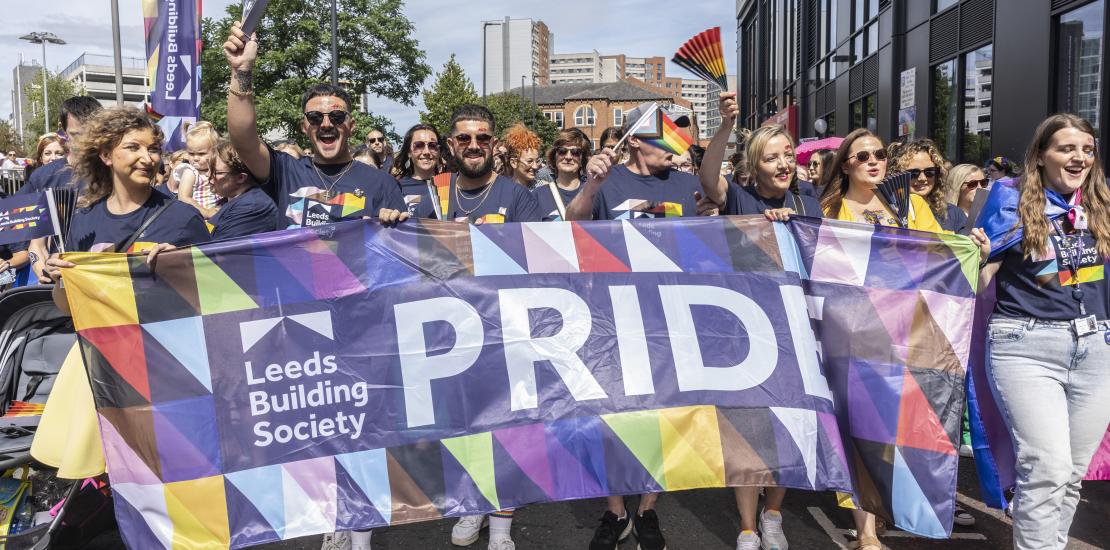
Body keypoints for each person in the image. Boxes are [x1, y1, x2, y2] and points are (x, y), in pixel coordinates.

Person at [567, 97, 732, 550]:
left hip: (668, 319)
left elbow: (705, 240)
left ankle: (649, 510)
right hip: (612, 318)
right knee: (612, 417)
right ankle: (616, 509)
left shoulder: (683, 184)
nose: (677, 143)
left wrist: (708, 222)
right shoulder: (607, 178)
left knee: (664, 417)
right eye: (667, 134)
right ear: (636, 140)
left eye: (681, 134)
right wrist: (589, 186)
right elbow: (573, 226)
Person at [819, 129, 990, 550]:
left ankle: (905, 503)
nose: (874, 161)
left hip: (910, 333)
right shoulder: (830, 208)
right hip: (855, 335)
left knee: (906, 427)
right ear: (846, 165)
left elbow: (940, 255)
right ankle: (866, 532)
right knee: (861, 429)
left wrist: (973, 251)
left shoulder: (910, 205)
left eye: (879, 154)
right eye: (863, 156)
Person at [978, 113, 1110, 550]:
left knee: (1071, 473)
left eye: (1087, 149)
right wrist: (976, 256)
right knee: (1046, 466)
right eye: (1067, 149)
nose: (1079, 157)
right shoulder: (1010, 199)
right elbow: (983, 279)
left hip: (1096, 347)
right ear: (1041, 156)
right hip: (1026, 346)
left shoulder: (1101, 204)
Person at [409, 104, 538, 550]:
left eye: (482, 138)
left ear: (494, 143)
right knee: (462, 428)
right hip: (449, 334)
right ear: (450, 145)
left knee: (506, 431)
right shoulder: (431, 194)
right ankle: (469, 506)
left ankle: (501, 526)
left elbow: (533, 261)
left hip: (504, 332)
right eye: (464, 138)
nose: (474, 146)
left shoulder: (517, 195)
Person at [223, 21, 405, 232]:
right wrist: (242, 71)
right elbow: (243, 140)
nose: (326, 124)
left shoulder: (382, 184)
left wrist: (392, 224)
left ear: (351, 125)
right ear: (304, 126)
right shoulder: (285, 172)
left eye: (337, 116)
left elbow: (399, 253)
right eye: (315, 117)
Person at [20, 95, 103, 283]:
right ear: (64, 132)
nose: (86, 142)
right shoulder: (44, 177)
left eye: (92, 133)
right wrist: (44, 272)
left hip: (104, 277)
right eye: (77, 135)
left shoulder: (114, 170)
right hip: (62, 282)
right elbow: (37, 244)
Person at [208, 139, 280, 240]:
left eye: (217, 173)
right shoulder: (233, 201)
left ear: (241, 178)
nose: (210, 178)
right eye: (208, 170)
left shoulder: (252, 206)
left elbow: (218, 248)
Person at [890, 138, 967, 233]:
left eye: (929, 172)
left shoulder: (953, 213)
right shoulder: (889, 212)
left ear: (938, 174)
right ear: (898, 175)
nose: (922, 178)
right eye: (913, 173)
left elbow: (966, 245)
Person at [534, 128, 590, 221]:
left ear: (582, 159)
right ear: (554, 156)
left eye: (575, 152)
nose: (568, 157)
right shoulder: (538, 196)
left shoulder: (592, 193)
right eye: (562, 151)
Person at [391, 124, 442, 215]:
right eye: (418, 145)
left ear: (439, 151)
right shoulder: (397, 188)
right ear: (409, 152)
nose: (426, 152)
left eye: (432, 145)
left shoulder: (452, 186)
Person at [176, 121, 221, 218]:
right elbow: (183, 197)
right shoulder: (190, 172)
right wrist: (206, 212)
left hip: (218, 213)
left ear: (215, 151)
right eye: (191, 154)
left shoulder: (217, 169)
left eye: (201, 154)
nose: (195, 158)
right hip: (198, 216)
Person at [501, 123, 542, 189]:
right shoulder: (503, 190)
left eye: (537, 161)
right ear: (514, 163)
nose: (535, 166)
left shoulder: (543, 189)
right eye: (529, 161)